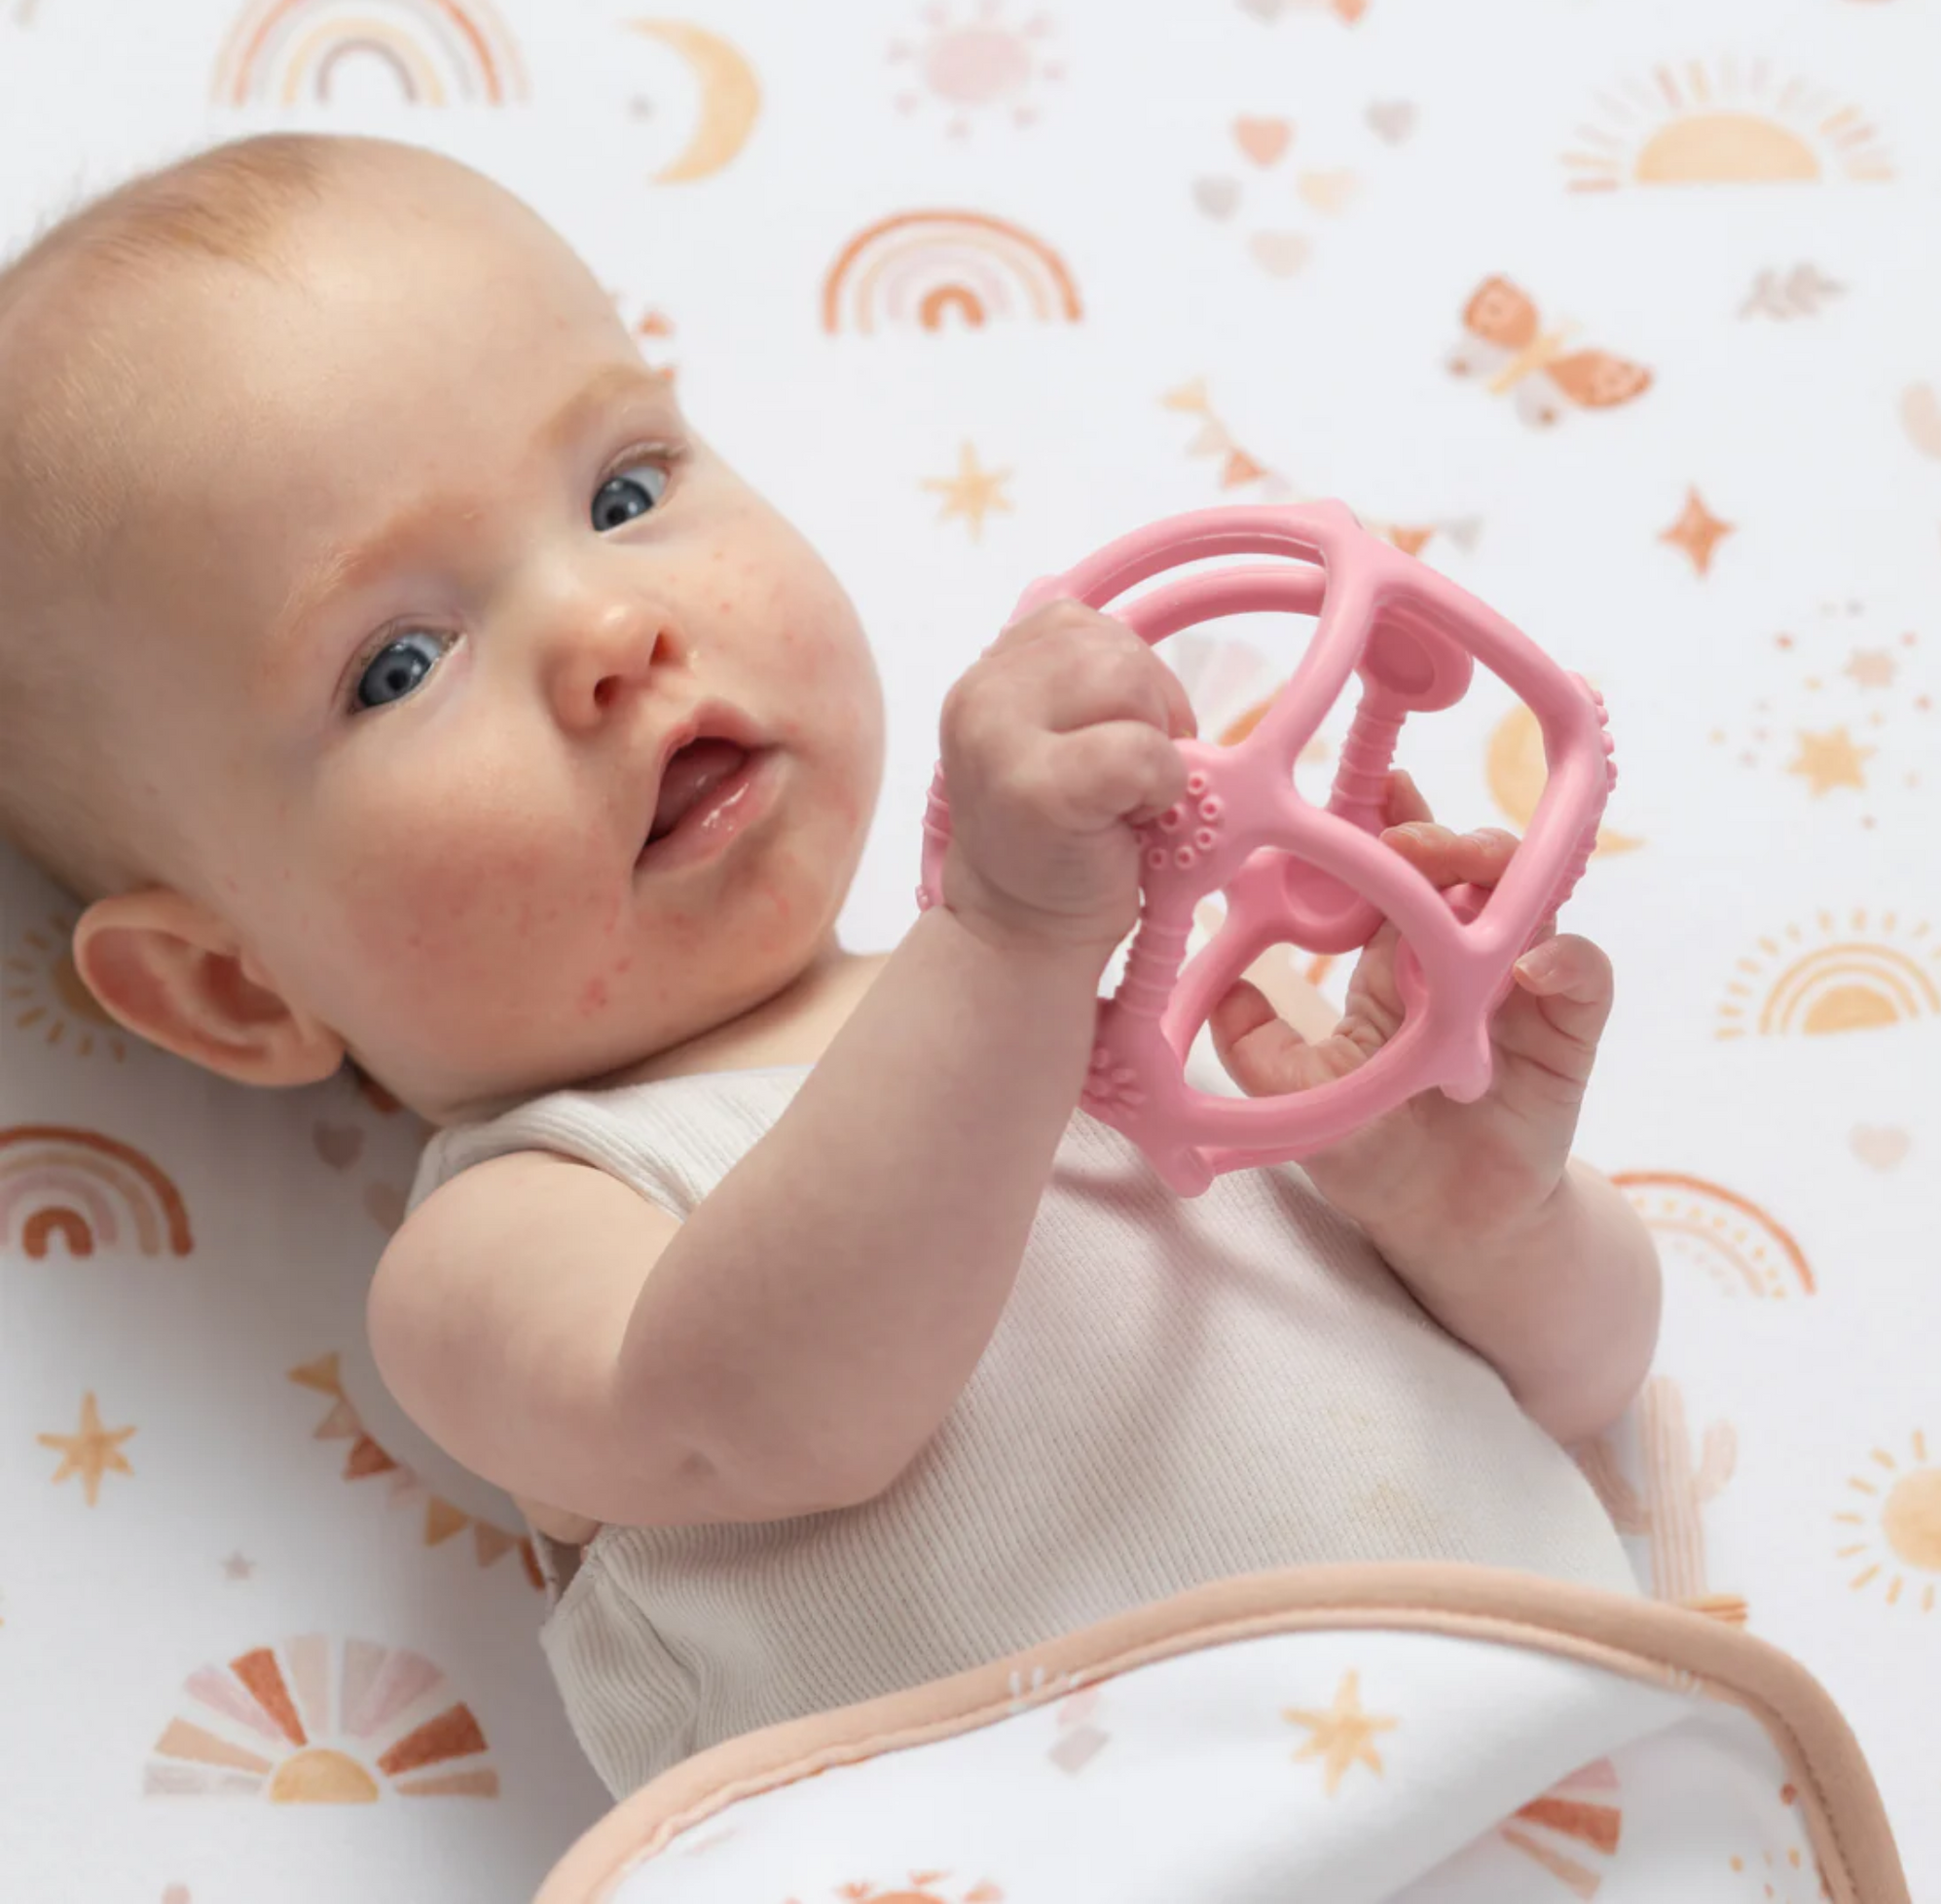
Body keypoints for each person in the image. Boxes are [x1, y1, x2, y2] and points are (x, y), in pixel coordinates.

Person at [0, 132, 1659, 1798]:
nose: (608, 631)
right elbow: (778, 1417)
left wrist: (1479, 1225)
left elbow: (1587, 1387)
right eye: (398, 663)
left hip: (1579, 1777)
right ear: (234, 989)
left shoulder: (1148, 994)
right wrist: (1005, 941)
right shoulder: (512, 1237)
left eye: (624, 494)